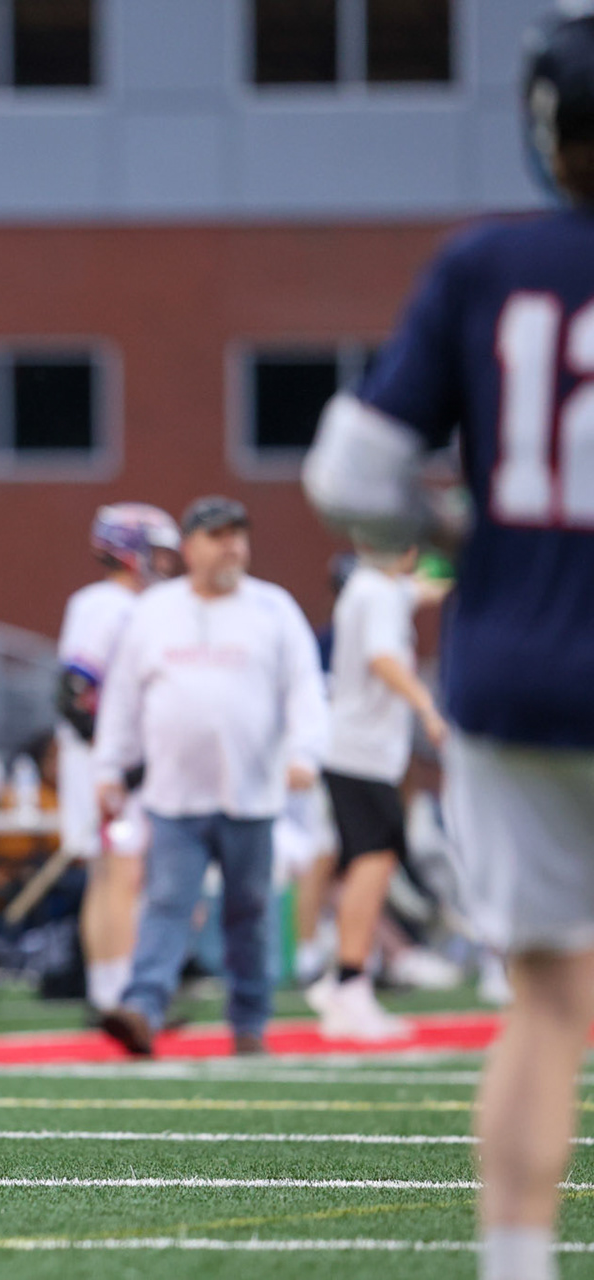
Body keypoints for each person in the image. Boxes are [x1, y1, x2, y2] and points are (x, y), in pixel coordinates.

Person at [301, 12, 594, 1273]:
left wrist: (467, 542)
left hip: (516, 667)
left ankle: (517, 1263)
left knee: (546, 1003)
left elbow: (352, 470)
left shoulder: (488, 265)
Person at [92, 495, 328, 1058]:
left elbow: (305, 688)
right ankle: (143, 1009)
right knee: (167, 903)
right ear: (191, 547)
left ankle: (248, 1023)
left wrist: (306, 754)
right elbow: (123, 695)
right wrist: (109, 766)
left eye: (238, 535)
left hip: (253, 792)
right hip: (175, 794)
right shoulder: (155, 611)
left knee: (249, 911)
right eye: (218, 536)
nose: (232, 547)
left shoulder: (274, 609)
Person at [308, 543, 447, 1041]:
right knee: (373, 862)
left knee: (368, 862)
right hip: (361, 751)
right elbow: (383, 658)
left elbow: (423, 589)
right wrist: (427, 707)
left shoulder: (376, 590)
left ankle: (343, 981)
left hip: (358, 750)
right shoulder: (379, 593)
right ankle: (350, 982)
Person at [54, 503, 181, 1017]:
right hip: (102, 758)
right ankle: (118, 993)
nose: (166, 564)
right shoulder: (107, 604)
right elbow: (73, 689)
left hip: (109, 757)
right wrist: (117, 759)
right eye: (158, 553)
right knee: (120, 873)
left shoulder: (127, 604)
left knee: (114, 873)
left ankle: (108, 991)